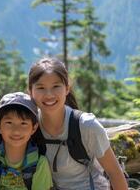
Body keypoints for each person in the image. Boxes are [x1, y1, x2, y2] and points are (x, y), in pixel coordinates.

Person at [28, 57, 128, 190]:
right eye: (41, 88)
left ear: (67, 89)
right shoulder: (29, 125)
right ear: (30, 91)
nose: (49, 94)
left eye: (56, 86)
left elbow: (115, 172)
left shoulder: (87, 126)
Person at [0, 92, 53, 190]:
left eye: (23, 123)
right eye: (9, 122)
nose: (16, 131)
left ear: (34, 128)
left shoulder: (39, 164)